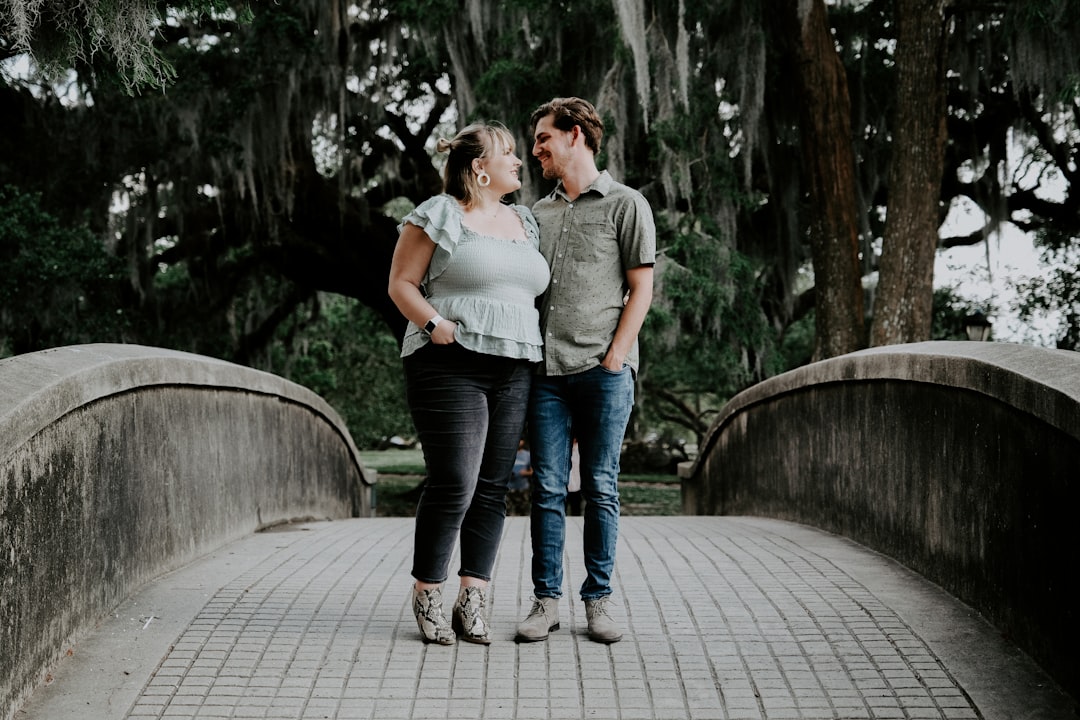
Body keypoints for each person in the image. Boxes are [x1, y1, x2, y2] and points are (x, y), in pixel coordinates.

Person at [388, 121, 550, 645]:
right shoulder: (440, 212)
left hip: (515, 366)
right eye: (509, 152)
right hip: (450, 363)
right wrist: (436, 326)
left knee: (492, 487)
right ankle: (428, 592)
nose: (519, 161)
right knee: (455, 480)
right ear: (479, 167)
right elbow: (401, 283)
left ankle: (473, 598)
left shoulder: (525, 221)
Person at [516, 97, 656, 644]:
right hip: (546, 374)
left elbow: (641, 286)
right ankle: (545, 601)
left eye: (543, 139)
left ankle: (598, 601)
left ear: (575, 135)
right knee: (547, 488)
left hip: (604, 370)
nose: (535, 152)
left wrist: (617, 354)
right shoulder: (536, 214)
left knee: (600, 486)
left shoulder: (627, 205)